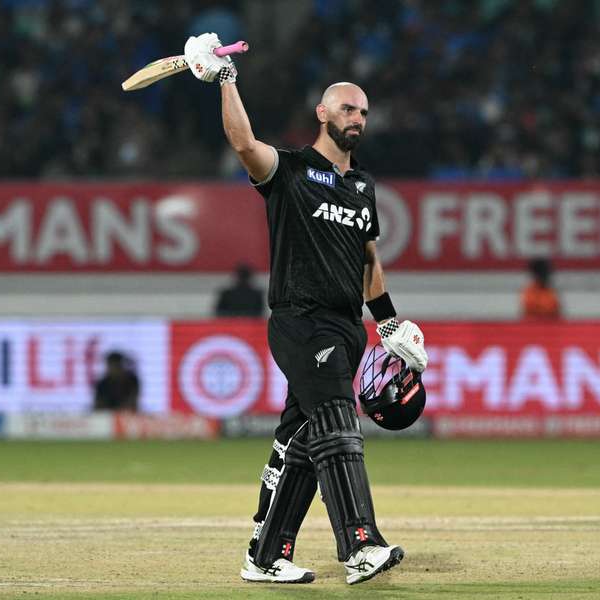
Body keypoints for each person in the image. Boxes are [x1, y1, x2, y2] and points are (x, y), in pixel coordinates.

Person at [183, 34, 429, 585]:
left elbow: (369, 259)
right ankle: (360, 545)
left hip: (347, 327)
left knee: (301, 441)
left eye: (363, 112)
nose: (357, 118)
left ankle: (265, 555)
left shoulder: (362, 186)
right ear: (322, 113)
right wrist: (226, 80)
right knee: (338, 424)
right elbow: (244, 143)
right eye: (347, 108)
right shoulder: (291, 170)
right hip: (301, 320)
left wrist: (389, 322)